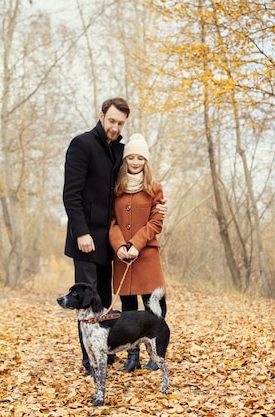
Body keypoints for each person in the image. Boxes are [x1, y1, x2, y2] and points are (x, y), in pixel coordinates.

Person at [63, 98, 168, 374]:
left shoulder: (120, 151)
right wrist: (81, 232)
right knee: (86, 302)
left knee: (103, 301)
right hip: (85, 241)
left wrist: (159, 207)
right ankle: (91, 361)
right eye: (111, 121)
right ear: (101, 116)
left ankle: (107, 354)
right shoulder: (81, 144)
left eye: (120, 123)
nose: (115, 126)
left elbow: (135, 185)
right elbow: (71, 195)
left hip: (109, 245)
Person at [109, 133, 167, 372]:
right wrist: (120, 246)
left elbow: (156, 222)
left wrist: (136, 244)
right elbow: (111, 221)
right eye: (131, 158)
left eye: (139, 158)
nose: (135, 162)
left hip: (146, 256)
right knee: (128, 310)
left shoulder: (155, 189)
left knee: (155, 306)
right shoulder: (116, 189)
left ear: (146, 161)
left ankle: (155, 355)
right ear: (125, 161)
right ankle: (132, 358)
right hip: (123, 257)